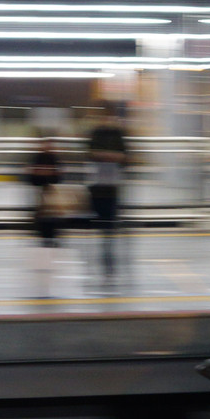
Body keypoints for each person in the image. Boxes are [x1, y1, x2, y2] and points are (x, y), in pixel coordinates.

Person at [86, 104, 130, 286]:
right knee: (98, 228)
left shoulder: (118, 134)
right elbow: (89, 154)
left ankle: (108, 266)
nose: (106, 120)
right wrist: (111, 156)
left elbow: (126, 158)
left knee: (109, 229)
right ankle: (98, 265)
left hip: (113, 187)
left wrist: (105, 156)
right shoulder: (96, 133)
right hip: (97, 187)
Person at [23, 135, 64, 297]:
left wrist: (42, 172)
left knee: (52, 231)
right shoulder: (39, 157)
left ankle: (49, 260)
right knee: (42, 231)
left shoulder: (52, 158)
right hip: (41, 201)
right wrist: (47, 172)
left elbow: (57, 177)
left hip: (52, 201)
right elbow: (33, 177)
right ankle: (44, 261)